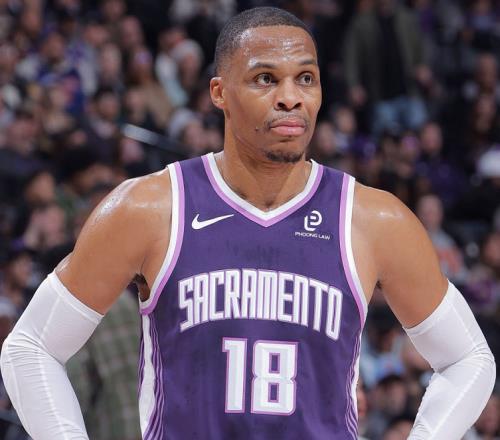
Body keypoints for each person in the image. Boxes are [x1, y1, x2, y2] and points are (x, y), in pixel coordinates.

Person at [0, 7, 495, 440]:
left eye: (306, 78)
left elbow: (468, 359)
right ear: (219, 92)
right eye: (265, 79)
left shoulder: (373, 219)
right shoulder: (149, 208)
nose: (290, 97)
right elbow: (30, 347)